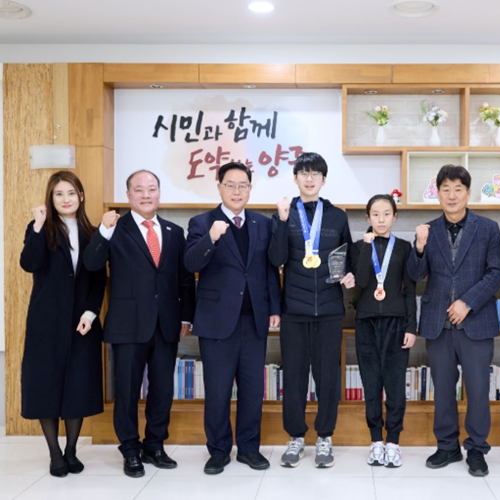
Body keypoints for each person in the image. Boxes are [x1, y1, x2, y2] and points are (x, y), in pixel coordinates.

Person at [83, 170, 195, 478]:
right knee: (127, 391)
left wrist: (186, 316)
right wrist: (102, 232)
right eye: (139, 190)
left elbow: (185, 279)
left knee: (162, 390)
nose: (146, 195)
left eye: (152, 189)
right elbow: (91, 264)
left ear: (159, 193)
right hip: (127, 325)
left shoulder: (174, 232)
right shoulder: (114, 229)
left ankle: (154, 445)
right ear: (129, 195)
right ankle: (130, 450)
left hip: (166, 324)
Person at [406, 164, 500, 477]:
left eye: (458, 189)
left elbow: (496, 273)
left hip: (476, 322)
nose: (452, 195)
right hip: (438, 324)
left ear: (468, 193)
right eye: (445, 189)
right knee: (443, 390)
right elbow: (415, 275)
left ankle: (476, 448)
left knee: (477, 390)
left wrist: (467, 303)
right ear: (437, 193)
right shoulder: (428, 230)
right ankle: (447, 446)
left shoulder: (488, 228)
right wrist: (418, 247)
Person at [185, 162, 281, 474]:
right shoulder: (202, 223)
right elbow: (190, 264)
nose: (237, 191)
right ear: (219, 187)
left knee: (253, 390)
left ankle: (249, 448)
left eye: (243, 185)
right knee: (217, 390)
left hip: (254, 321)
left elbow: (270, 270)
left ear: (250, 189)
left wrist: (274, 308)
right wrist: (210, 239)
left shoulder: (261, 223)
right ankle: (218, 450)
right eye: (230, 185)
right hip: (216, 322)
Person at [268, 152, 355, 468]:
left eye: (315, 173)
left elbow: (347, 256)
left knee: (328, 378)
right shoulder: (284, 213)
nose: (309, 178)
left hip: (330, 309)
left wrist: (349, 273)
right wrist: (281, 222)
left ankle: (324, 438)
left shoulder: (337, 216)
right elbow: (276, 259)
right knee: (294, 378)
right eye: (303, 173)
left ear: (323, 180)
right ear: (295, 178)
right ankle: (295, 437)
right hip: (294, 310)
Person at [20, 171, 107, 477]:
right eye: (59, 194)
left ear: (81, 196)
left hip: (82, 323)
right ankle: (55, 454)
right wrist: (37, 226)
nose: (66, 199)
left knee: (77, 386)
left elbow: (99, 279)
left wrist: (91, 313)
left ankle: (71, 450)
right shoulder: (40, 229)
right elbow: (29, 264)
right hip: (46, 323)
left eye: (71, 193)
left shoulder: (93, 233)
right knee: (46, 385)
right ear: (50, 198)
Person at [350, 194, 417, 468]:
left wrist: (411, 327)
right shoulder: (358, 247)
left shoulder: (403, 247)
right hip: (366, 322)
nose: (381, 219)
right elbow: (362, 280)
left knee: (395, 384)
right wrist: (366, 247)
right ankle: (376, 440)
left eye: (386, 214)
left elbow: (410, 289)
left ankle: (394, 442)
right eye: (375, 214)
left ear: (394, 217)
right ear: (368, 217)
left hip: (396, 322)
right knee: (371, 383)